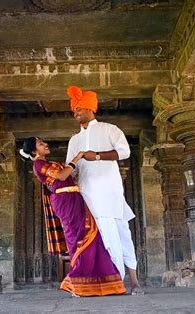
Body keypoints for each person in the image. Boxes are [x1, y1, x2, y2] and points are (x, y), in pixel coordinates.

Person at [19, 137, 126, 297]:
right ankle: (76, 283)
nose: (46, 144)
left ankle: (98, 284)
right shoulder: (38, 165)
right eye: (41, 144)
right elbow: (62, 176)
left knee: (92, 237)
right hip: (64, 201)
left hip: (74, 198)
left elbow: (68, 175)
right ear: (34, 151)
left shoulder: (50, 163)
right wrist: (77, 158)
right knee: (78, 240)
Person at [65, 85, 144, 295]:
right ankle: (102, 284)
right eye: (74, 110)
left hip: (110, 193)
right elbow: (70, 169)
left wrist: (97, 155)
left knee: (122, 236)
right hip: (87, 196)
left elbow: (124, 152)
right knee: (93, 241)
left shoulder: (110, 129)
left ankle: (134, 282)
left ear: (91, 108)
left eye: (79, 108)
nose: (76, 112)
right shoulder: (74, 140)